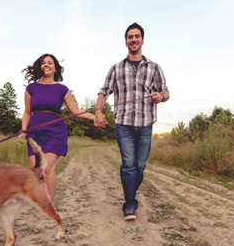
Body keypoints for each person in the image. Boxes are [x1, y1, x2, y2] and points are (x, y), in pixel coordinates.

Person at [94, 22, 169, 221]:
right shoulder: (116, 68)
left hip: (145, 123)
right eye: (130, 37)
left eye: (137, 36)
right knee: (128, 165)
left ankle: (130, 193)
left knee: (139, 167)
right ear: (126, 41)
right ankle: (129, 205)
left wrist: (160, 97)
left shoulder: (154, 67)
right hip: (124, 123)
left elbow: (166, 91)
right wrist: (98, 112)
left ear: (142, 40)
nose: (133, 40)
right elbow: (104, 91)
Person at [18, 53, 94, 202]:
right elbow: (27, 112)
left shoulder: (62, 89)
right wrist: (23, 130)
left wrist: (94, 117)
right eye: (44, 62)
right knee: (37, 173)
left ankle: (50, 206)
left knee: (47, 170)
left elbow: (76, 110)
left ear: (55, 68)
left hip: (55, 131)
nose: (46, 65)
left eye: (50, 63)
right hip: (35, 130)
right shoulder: (31, 88)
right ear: (40, 67)